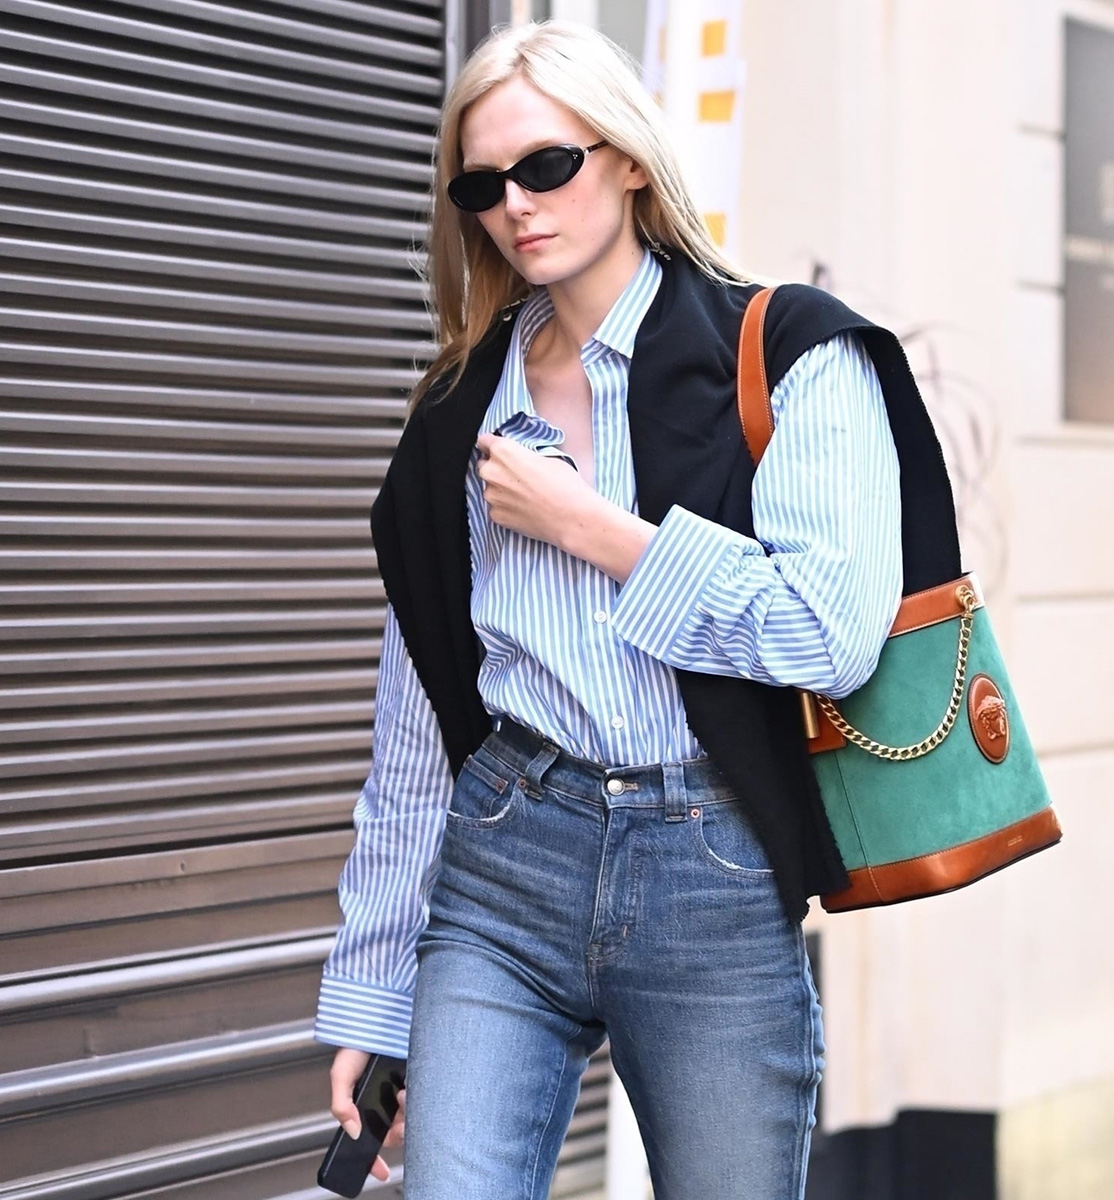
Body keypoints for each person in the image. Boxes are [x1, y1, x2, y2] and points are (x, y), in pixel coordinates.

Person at [315, 19, 906, 1200]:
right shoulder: (455, 415)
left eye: (548, 166)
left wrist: (596, 529)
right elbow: (417, 731)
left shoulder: (787, 353)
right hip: (503, 860)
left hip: (712, 864)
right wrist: (372, 996)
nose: (517, 206)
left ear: (628, 157)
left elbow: (832, 636)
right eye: (484, 184)